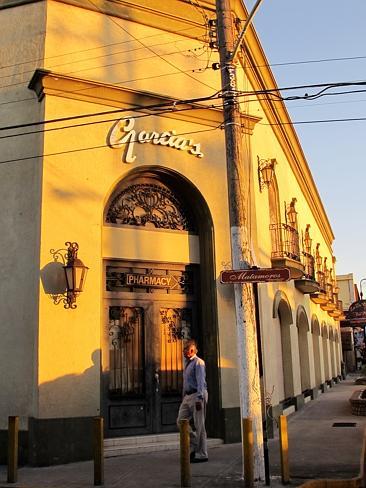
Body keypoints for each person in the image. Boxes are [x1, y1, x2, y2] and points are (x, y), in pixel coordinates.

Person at [177, 338, 208, 463]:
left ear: (191, 350)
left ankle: (202, 453)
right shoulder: (187, 363)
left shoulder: (198, 363)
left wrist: (199, 399)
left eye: (185, 349)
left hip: (197, 395)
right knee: (180, 421)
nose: (183, 351)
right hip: (188, 396)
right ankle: (195, 442)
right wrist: (184, 396)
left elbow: (201, 381)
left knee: (199, 424)